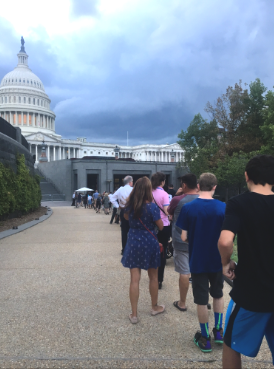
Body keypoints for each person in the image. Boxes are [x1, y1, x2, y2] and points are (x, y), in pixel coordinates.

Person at [218, 155, 274, 369]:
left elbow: (225, 241)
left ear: (247, 176)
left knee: (231, 343)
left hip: (253, 290)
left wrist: (226, 262)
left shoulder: (238, 203)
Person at [176, 173, 226, 353]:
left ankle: (204, 338)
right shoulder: (223, 207)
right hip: (217, 259)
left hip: (197, 259)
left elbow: (183, 236)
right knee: (218, 294)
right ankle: (219, 332)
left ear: (198, 186)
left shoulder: (188, 208)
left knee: (201, 299)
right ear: (215, 187)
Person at [122, 176, 165, 323]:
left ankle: (134, 314)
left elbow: (127, 218)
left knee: (134, 279)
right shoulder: (152, 207)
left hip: (134, 241)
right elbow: (160, 226)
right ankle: (154, 306)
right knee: (153, 277)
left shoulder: (130, 206)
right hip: (150, 241)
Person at [167, 174, 199, 312]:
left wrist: (178, 194)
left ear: (184, 185)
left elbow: (169, 211)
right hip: (198, 240)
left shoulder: (177, 199)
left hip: (180, 239)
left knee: (184, 271)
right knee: (198, 271)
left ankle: (182, 302)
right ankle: (202, 300)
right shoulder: (203, 199)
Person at [151, 172, 170, 289]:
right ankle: (159, 279)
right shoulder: (164, 194)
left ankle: (152, 276)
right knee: (162, 251)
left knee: (152, 251)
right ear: (162, 182)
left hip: (150, 225)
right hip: (164, 224)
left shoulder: (148, 193)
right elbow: (167, 211)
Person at [109, 176, 133, 255]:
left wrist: (117, 206)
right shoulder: (133, 190)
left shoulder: (120, 189)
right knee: (132, 230)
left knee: (124, 231)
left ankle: (124, 249)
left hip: (123, 210)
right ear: (130, 182)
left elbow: (112, 198)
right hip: (131, 211)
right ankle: (131, 248)